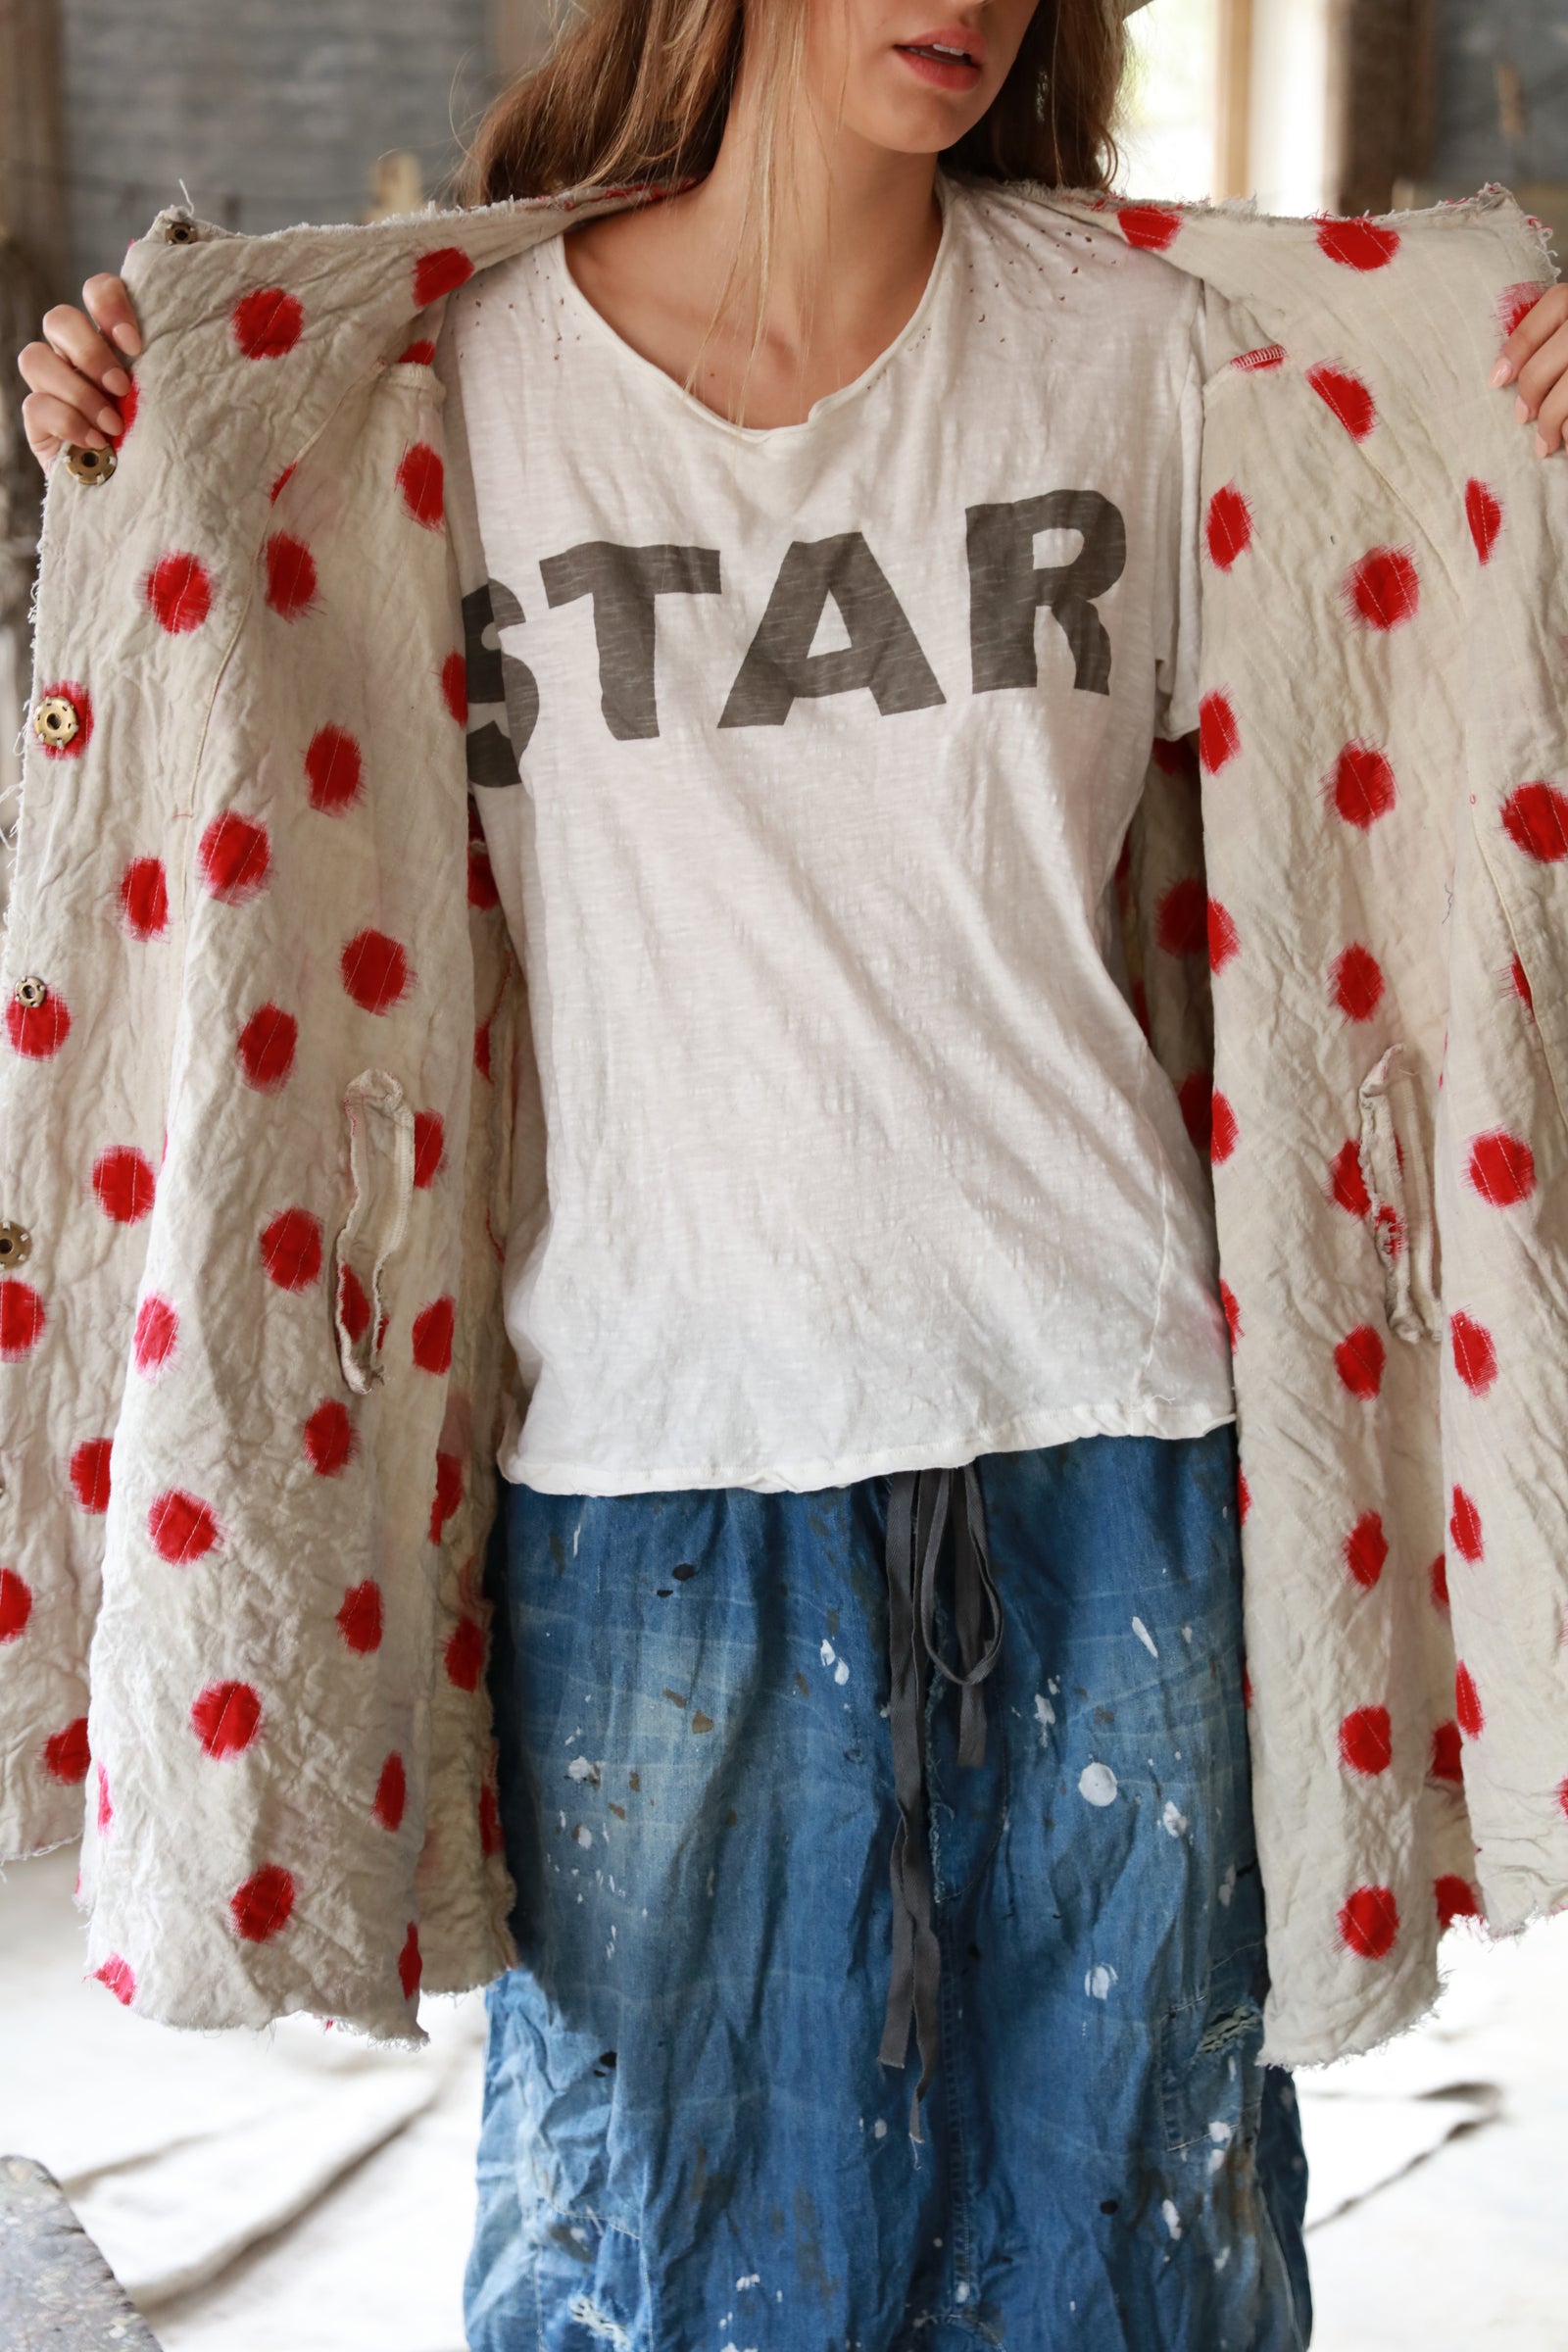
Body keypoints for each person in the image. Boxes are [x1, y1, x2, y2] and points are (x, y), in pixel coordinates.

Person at [19, 4, 1568, 2347]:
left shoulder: (1148, 348)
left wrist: (1521, 422)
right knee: (671, 2260)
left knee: (1128, 2262)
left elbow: (1432, 672)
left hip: (1114, 1452)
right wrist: (135, 435)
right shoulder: (427, 387)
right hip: (651, 1478)